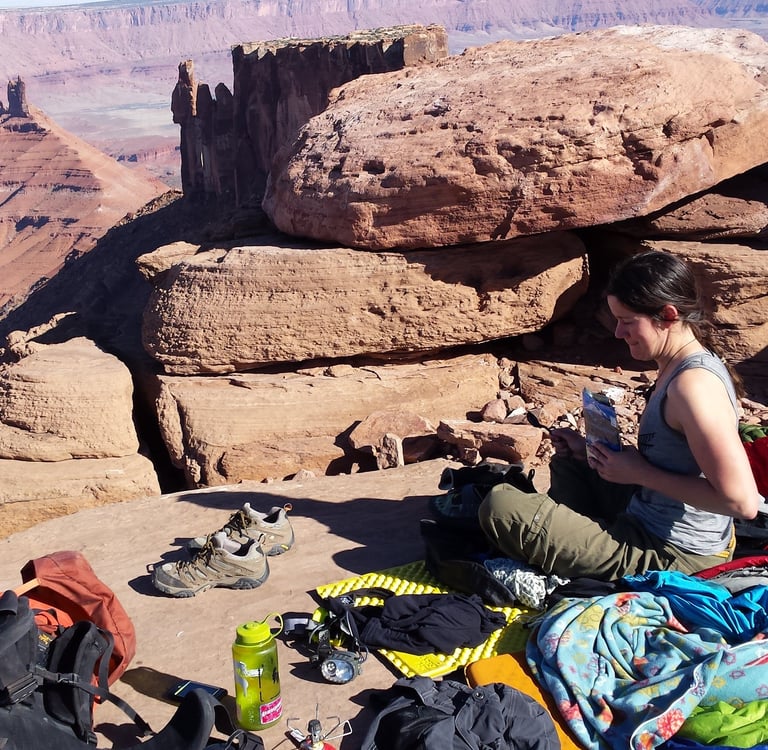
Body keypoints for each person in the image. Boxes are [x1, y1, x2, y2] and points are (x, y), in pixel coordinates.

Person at [479, 250, 762, 581]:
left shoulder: (693, 387)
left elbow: (741, 503)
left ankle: (570, 537)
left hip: (675, 553)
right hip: (648, 511)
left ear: (667, 315)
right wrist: (599, 454)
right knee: (572, 463)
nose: (618, 332)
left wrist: (640, 473)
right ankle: (572, 532)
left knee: (500, 508)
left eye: (627, 321)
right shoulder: (677, 366)